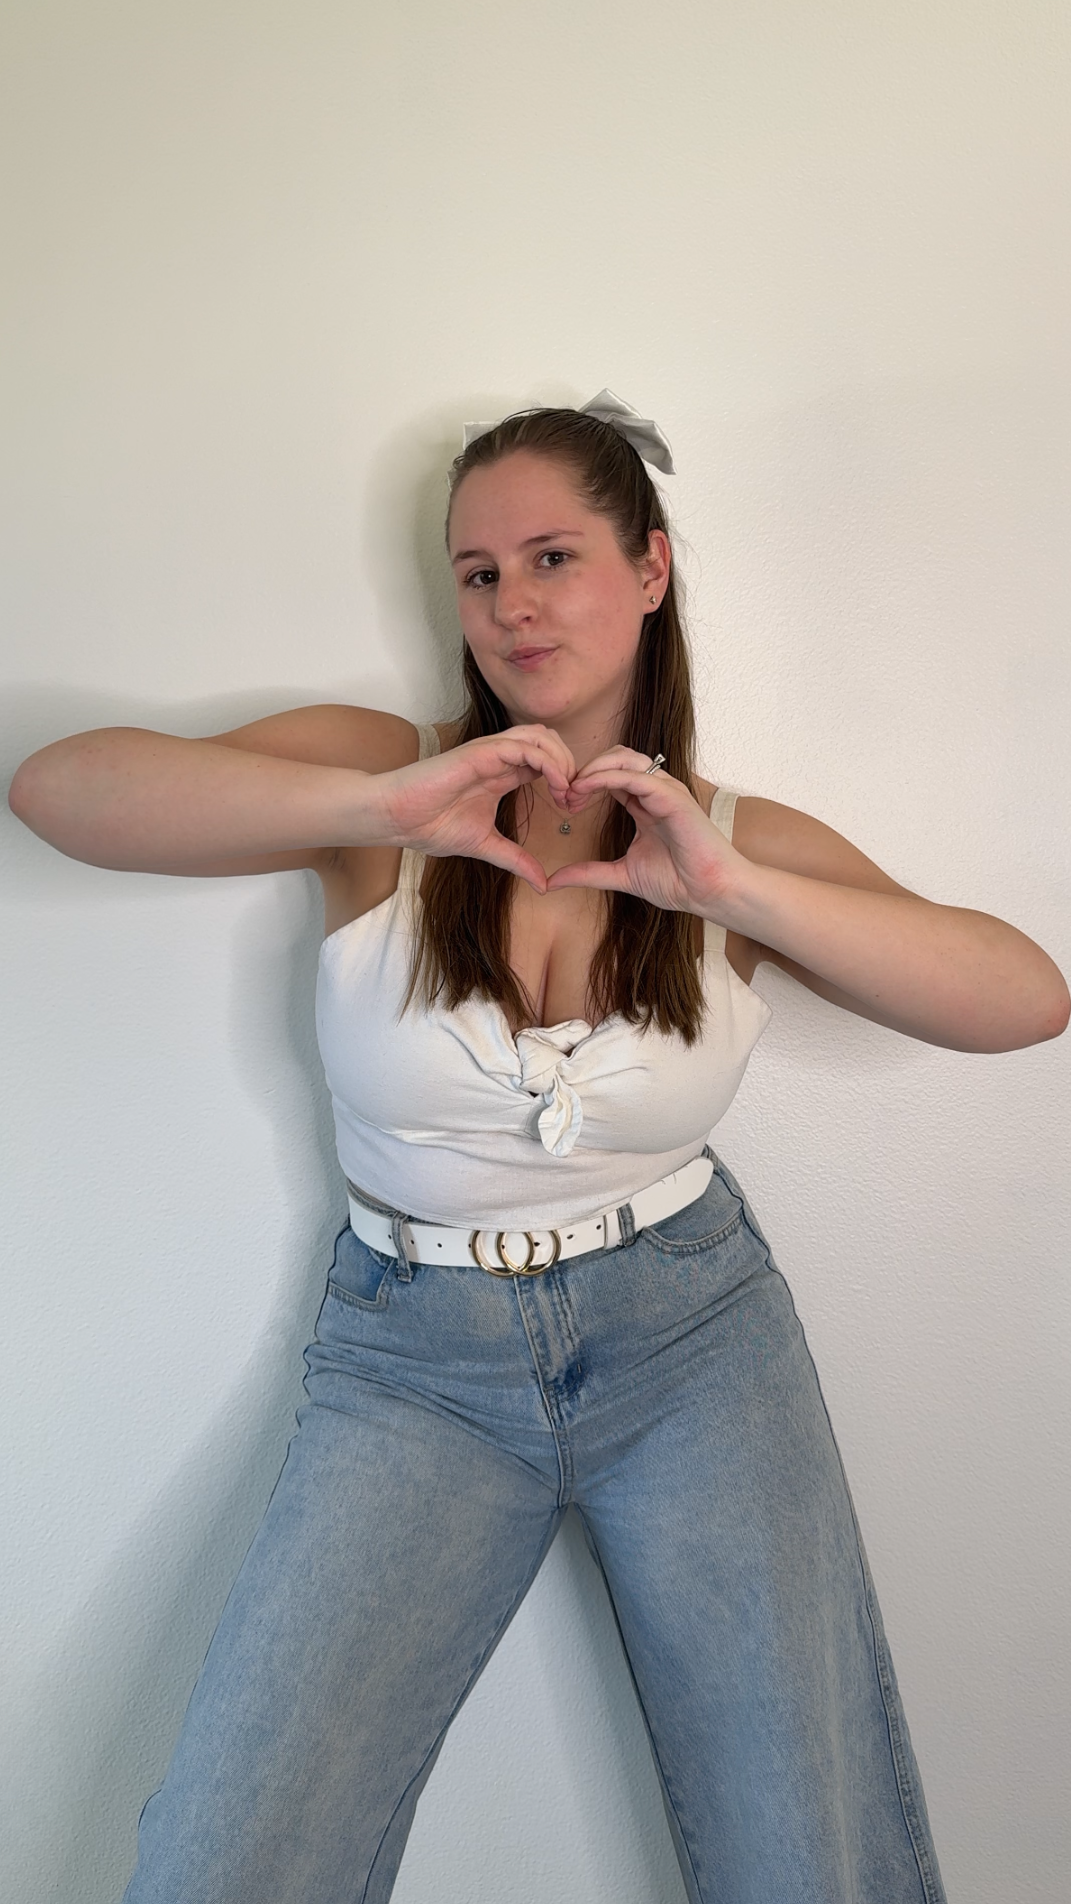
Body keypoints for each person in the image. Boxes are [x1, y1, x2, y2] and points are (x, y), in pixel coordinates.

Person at [10, 393, 1069, 1904]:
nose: (511, 604)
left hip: (693, 1337)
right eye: (476, 572)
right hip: (411, 1361)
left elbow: (1024, 1000)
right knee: (228, 1857)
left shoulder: (731, 842)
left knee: (803, 1853)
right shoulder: (385, 779)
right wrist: (379, 804)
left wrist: (734, 892)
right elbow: (61, 794)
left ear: (648, 570)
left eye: (552, 557)